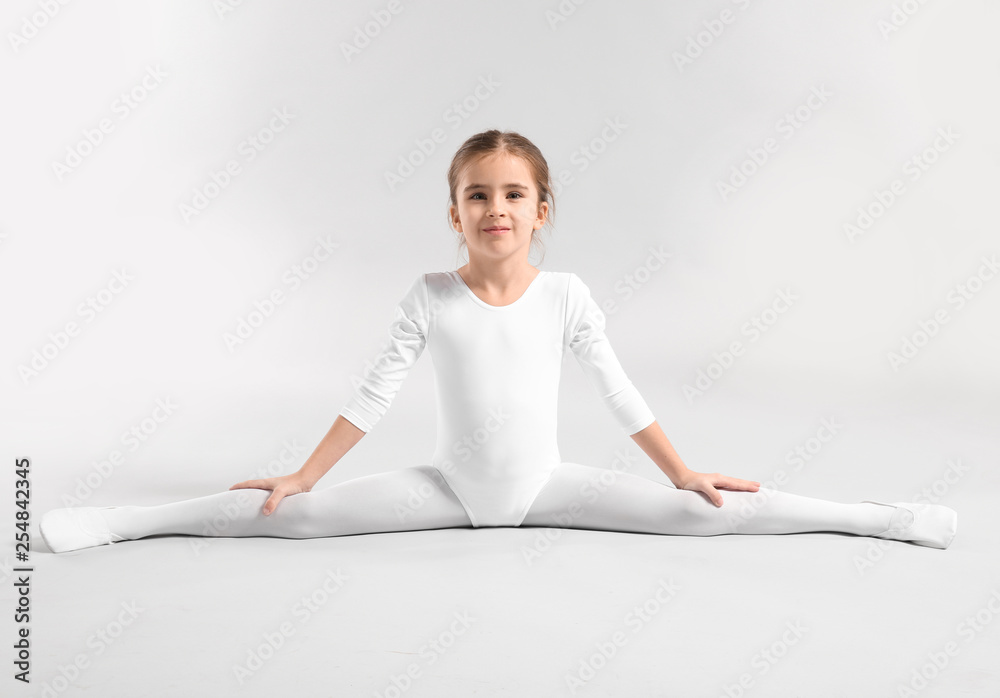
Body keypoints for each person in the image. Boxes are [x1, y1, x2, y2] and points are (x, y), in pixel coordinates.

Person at [39, 130, 958, 553]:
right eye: (478, 194)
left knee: (711, 517)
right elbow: (372, 395)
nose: (496, 208)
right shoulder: (432, 295)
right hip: (443, 490)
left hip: (549, 489)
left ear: (540, 210)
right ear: (454, 213)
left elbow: (618, 389)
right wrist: (305, 476)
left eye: (513, 194)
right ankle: (123, 522)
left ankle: (882, 518)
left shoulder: (565, 294)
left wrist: (681, 471)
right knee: (291, 519)